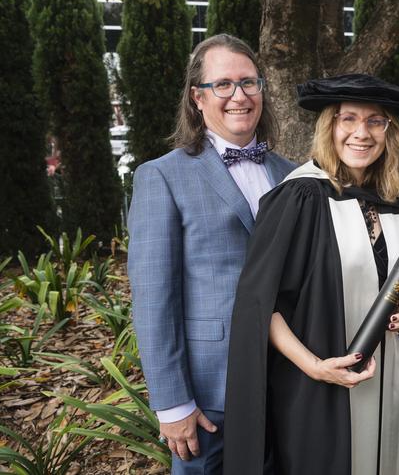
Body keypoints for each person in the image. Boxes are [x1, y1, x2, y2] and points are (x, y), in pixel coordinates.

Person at [223, 73, 399, 475]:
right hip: (316, 388)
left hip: (389, 383)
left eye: (375, 121)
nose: (360, 133)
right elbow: (261, 304)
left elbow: (397, 284)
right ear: (328, 126)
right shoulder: (299, 198)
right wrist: (315, 366)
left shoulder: (396, 205)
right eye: (348, 119)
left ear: (389, 132)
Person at [127, 34, 295, 474]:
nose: (238, 96)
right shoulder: (161, 177)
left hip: (289, 384)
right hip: (209, 397)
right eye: (223, 85)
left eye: (248, 83)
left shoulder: (295, 176)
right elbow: (152, 300)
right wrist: (172, 404)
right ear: (197, 97)